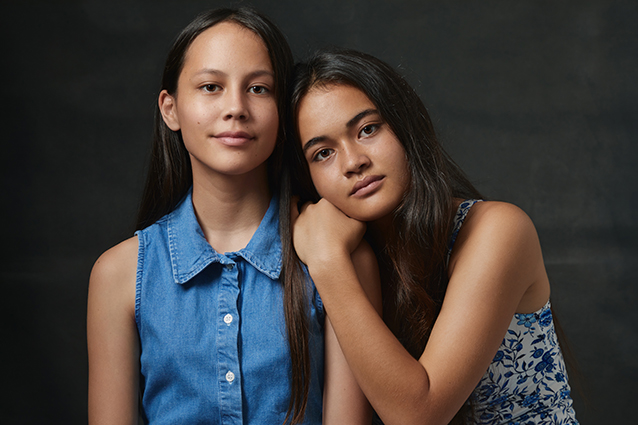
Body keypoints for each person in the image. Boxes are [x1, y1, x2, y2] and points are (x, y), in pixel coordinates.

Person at [87, 10, 374, 425]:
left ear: (282, 110)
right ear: (170, 109)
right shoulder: (119, 275)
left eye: (258, 88)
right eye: (210, 87)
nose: (236, 107)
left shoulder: (339, 256)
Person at [289, 48, 578, 425]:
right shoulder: (356, 259)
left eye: (368, 129)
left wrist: (328, 262)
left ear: (405, 126)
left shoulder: (497, 231)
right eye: (323, 153)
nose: (353, 161)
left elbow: (417, 416)